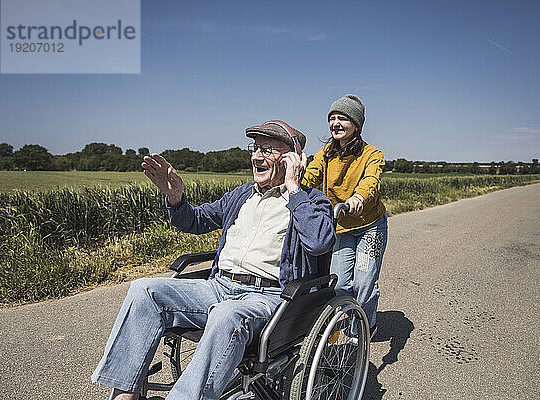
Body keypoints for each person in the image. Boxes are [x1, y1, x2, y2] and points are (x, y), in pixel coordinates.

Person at [91, 121, 335, 400]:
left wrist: (294, 188)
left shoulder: (311, 200)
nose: (256, 156)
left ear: (293, 159)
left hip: (267, 297)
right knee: (144, 290)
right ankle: (125, 395)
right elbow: (195, 220)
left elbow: (319, 242)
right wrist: (176, 197)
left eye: (267, 150)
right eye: (255, 148)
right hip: (218, 287)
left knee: (226, 314)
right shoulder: (241, 196)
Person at [302, 94, 387, 336]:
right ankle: (347, 323)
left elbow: (371, 181)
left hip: (370, 225)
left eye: (343, 118)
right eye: (332, 118)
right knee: (339, 283)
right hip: (341, 226)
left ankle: (364, 328)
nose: (336, 123)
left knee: (363, 283)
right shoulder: (325, 153)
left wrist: (359, 198)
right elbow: (311, 176)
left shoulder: (372, 154)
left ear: (356, 125)